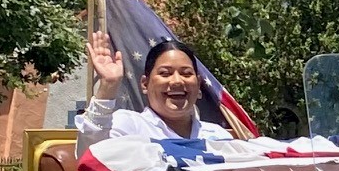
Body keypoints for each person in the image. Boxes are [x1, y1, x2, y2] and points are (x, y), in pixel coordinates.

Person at [75, 32, 234, 152]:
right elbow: (92, 155)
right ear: (145, 84)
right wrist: (108, 85)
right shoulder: (128, 126)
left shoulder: (218, 137)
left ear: (198, 85)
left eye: (186, 73)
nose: (177, 81)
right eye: (165, 73)